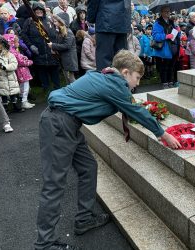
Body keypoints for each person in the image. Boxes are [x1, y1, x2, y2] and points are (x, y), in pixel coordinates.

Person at [34, 50, 181, 250]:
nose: (137, 84)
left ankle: (84, 219)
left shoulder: (106, 77)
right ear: (126, 72)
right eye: (137, 78)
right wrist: (163, 134)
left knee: (88, 167)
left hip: (68, 124)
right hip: (59, 125)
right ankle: (44, 244)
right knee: (54, 185)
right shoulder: (116, 84)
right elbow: (136, 111)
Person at [22, 2, 60, 91]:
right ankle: (46, 91)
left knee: (55, 73)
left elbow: (57, 33)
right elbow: (23, 34)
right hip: (39, 52)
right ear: (33, 11)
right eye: (36, 10)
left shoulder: (49, 20)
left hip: (51, 52)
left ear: (43, 10)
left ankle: (58, 91)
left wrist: (56, 46)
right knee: (43, 74)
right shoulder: (29, 21)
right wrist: (30, 45)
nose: (39, 12)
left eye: (40, 10)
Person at [87, 0, 130, 70]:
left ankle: (105, 80)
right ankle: (121, 80)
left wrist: (90, 18)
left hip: (105, 20)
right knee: (122, 59)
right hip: (122, 20)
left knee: (104, 60)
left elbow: (93, 2)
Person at [0, 35, 23, 113]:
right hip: (1, 77)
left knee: (12, 92)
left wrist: (5, 67)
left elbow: (14, 64)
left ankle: (15, 105)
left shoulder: (9, 54)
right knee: (3, 92)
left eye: (0, 43)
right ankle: (5, 107)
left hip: (10, 76)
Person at [3, 33, 35, 109]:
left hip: (20, 72)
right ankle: (24, 101)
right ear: (12, 42)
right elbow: (20, 62)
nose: (19, 43)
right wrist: (30, 62)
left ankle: (23, 100)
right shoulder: (13, 51)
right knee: (25, 87)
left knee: (21, 87)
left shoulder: (12, 50)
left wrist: (23, 56)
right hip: (21, 72)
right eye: (17, 42)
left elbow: (20, 58)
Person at [152, 5, 180, 89]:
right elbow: (155, 36)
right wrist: (166, 36)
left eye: (169, 11)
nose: (168, 13)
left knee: (171, 66)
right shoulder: (158, 23)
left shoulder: (172, 22)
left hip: (173, 47)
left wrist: (178, 31)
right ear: (161, 12)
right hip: (164, 48)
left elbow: (177, 34)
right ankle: (164, 83)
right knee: (164, 67)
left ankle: (170, 82)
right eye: (166, 11)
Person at [48, 13, 78, 83]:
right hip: (64, 59)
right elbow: (61, 44)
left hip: (69, 59)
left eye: (55, 21)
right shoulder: (60, 31)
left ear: (61, 22)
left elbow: (67, 46)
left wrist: (53, 45)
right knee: (67, 79)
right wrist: (54, 49)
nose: (54, 23)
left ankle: (76, 92)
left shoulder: (68, 32)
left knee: (71, 79)